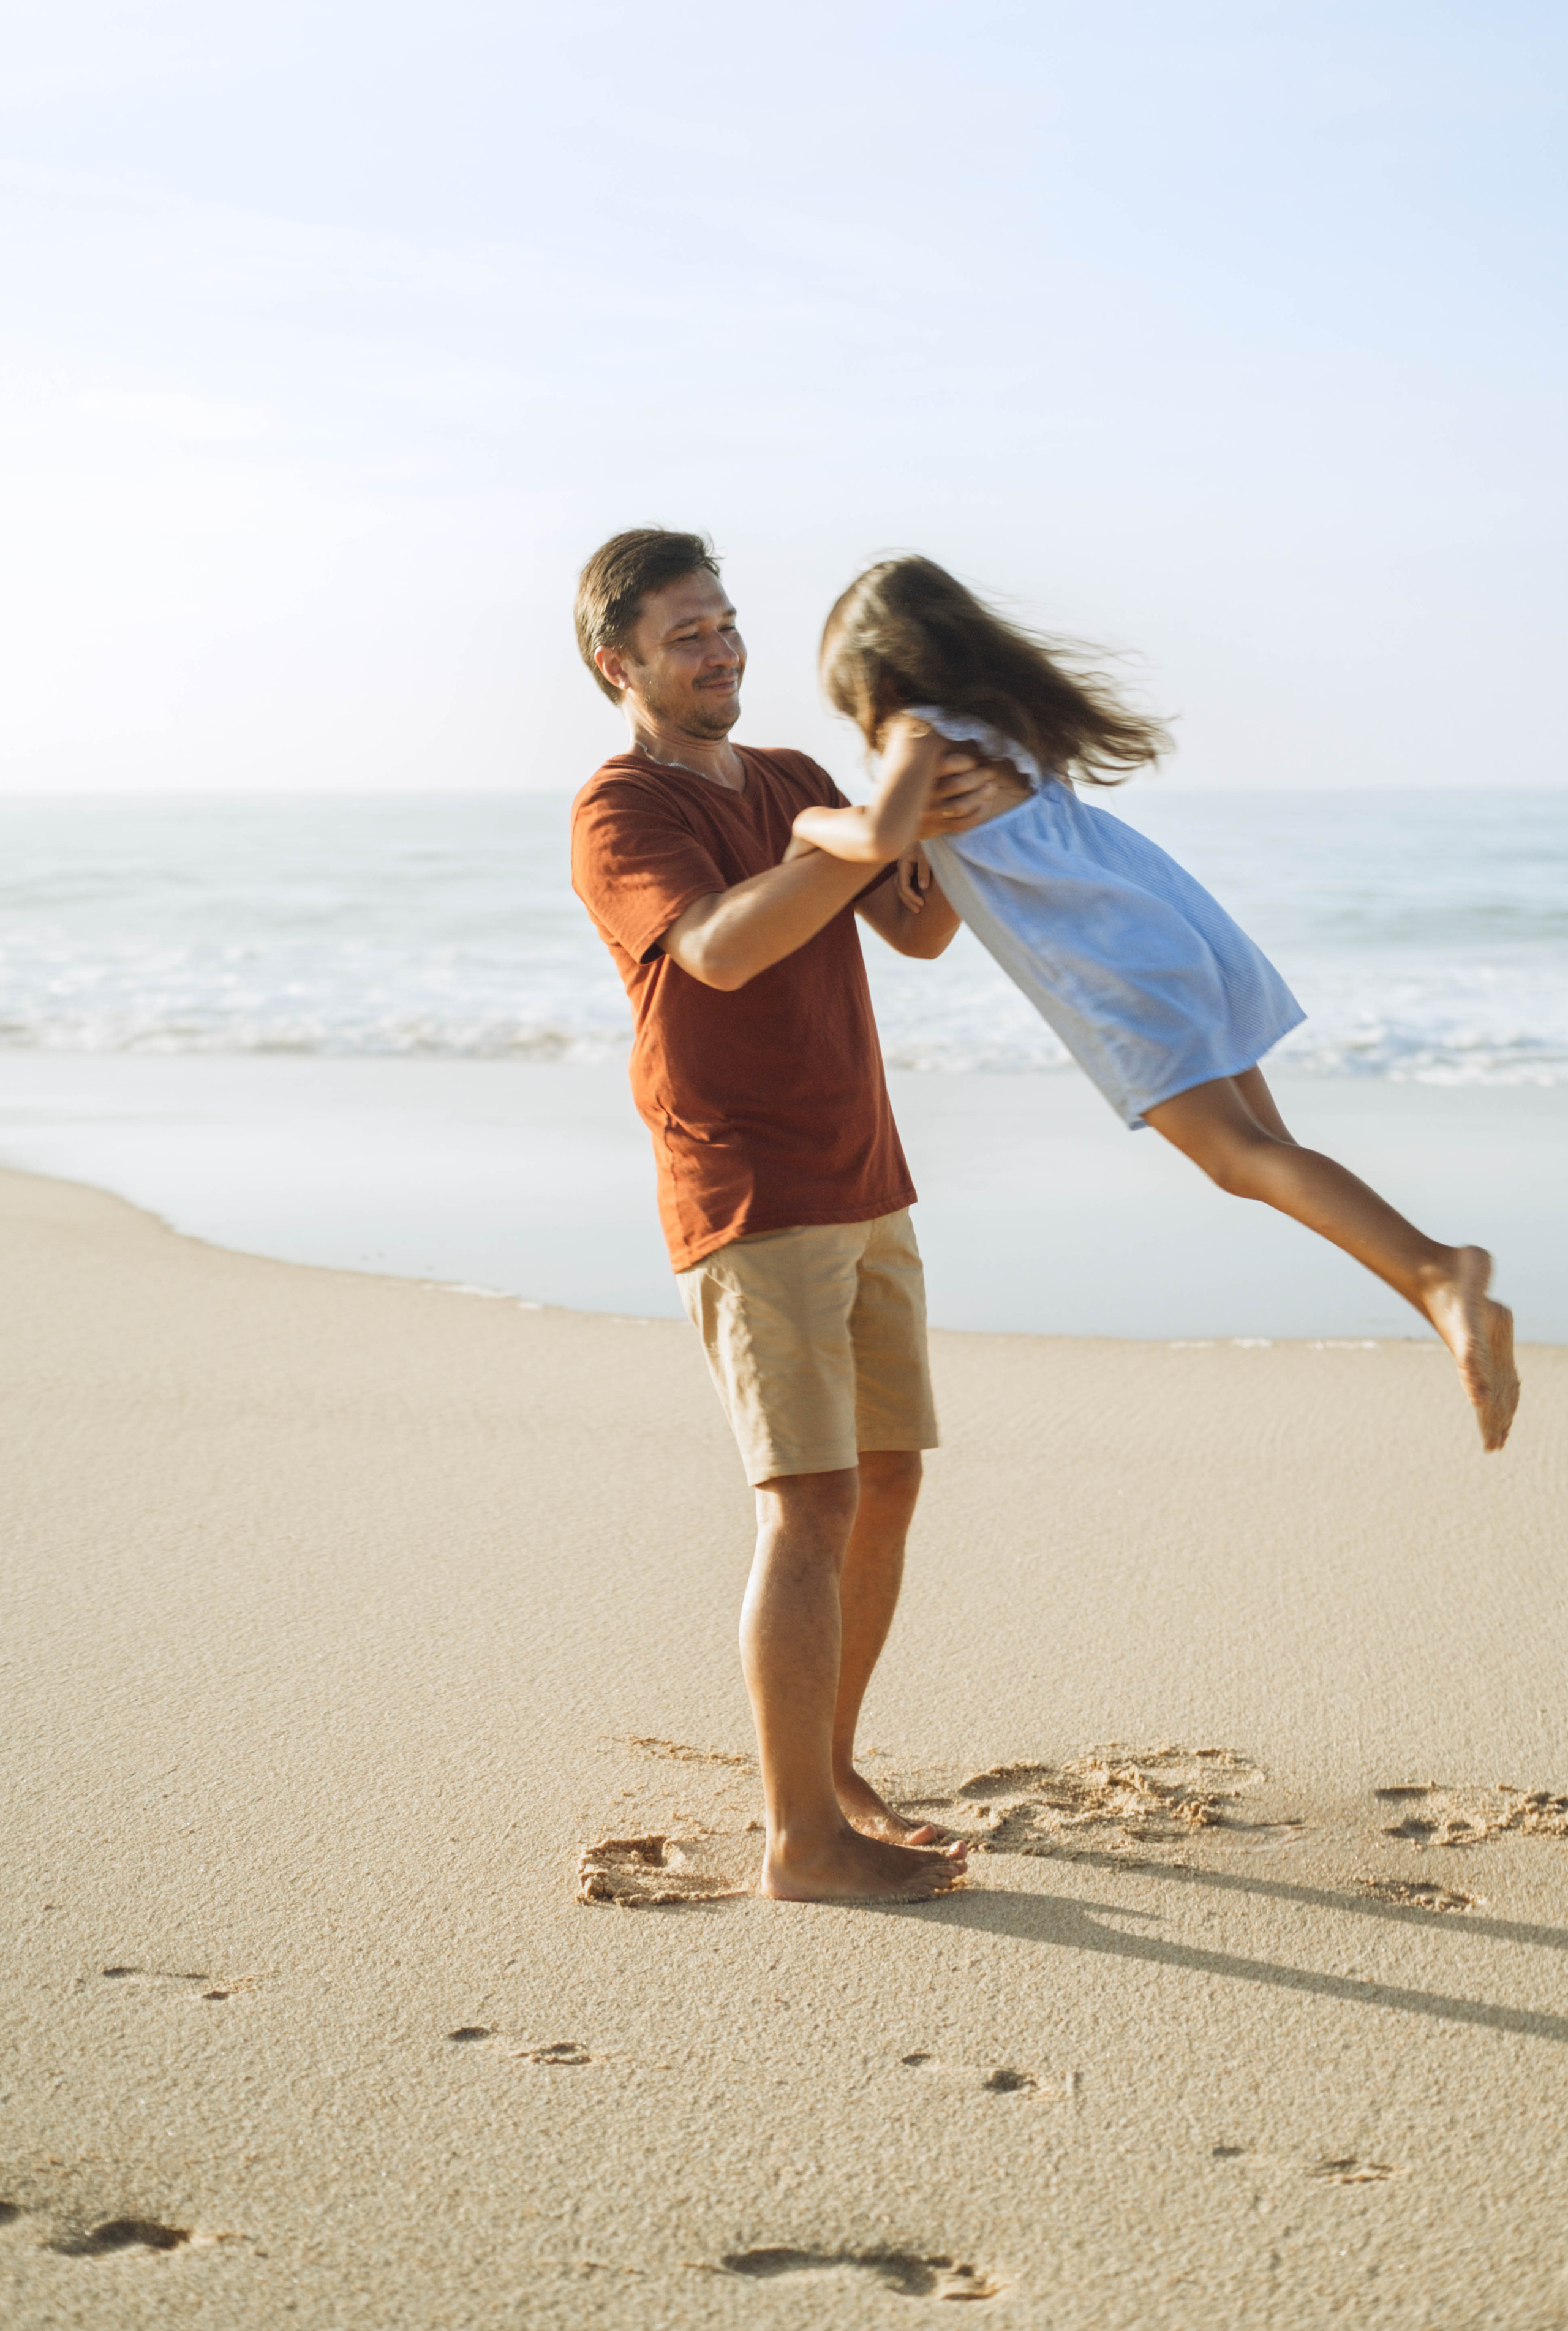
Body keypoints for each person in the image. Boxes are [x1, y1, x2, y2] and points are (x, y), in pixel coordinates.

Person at [794, 554, 1520, 1453]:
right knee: (1271, 1154)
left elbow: (877, 832)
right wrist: (922, 850)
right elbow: (931, 917)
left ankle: (1444, 1274)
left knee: (1237, 1160)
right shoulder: (1001, 737)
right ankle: (1440, 1290)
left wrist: (808, 822)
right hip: (1169, 931)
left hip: (1121, 970)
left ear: (881, 671)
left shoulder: (919, 732)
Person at [569, 527, 1007, 1902]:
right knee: (805, 1502)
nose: (724, 652)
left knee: (887, 1480)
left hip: (863, 1171)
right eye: (687, 636)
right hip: (747, 1189)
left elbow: (918, 931)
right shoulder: (619, 809)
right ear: (617, 662)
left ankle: (830, 1773)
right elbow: (718, 944)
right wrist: (861, 833)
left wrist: (927, 819)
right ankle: (798, 1842)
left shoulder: (798, 780)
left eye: (727, 624)